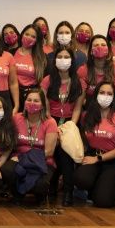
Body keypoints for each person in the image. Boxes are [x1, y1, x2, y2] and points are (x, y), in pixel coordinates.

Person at [73, 83, 115, 208]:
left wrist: (98, 159)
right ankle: (92, 186)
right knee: (81, 179)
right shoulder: (86, 116)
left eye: (109, 94)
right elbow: (82, 139)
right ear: (96, 95)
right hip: (92, 156)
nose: (105, 96)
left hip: (112, 161)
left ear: (114, 98)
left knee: (103, 202)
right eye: (102, 92)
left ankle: (104, 188)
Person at [40, 48, 84, 205]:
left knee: (66, 156)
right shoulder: (47, 80)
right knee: (54, 155)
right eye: (60, 56)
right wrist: (52, 125)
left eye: (67, 57)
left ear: (72, 61)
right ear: (55, 60)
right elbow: (44, 106)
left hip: (70, 122)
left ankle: (67, 192)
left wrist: (71, 125)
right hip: (50, 120)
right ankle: (51, 187)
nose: (63, 59)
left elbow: (78, 107)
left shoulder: (78, 82)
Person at [11, 88, 58, 203]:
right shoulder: (16, 118)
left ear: (42, 105)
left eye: (36, 101)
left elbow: (49, 151)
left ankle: (38, 194)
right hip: (18, 159)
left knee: (40, 185)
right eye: (29, 100)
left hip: (41, 161)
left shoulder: (50, 122)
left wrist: (25, 158)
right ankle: (16, 194)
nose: (32, 103)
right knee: (7, 170)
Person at [77, 34, 115, 100]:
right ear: (90, 51)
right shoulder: (83, 70)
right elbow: (78, 96)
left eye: (103, 45)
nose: (100, 47)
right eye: (96, 45)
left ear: (108, 50)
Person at [13, 24, 47, 92]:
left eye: (33, 37)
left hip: (32, 94)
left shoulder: (42, 57)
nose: (29, 38)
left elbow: (44, 81)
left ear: (37, 40)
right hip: (13, 93)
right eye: (27, 34)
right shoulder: (11, 53)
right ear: (22, 34)